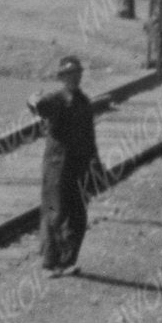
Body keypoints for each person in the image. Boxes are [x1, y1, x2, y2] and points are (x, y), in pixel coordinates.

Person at [33, 51, 105, 273]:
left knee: (77, 216)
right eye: (69, 74)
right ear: (62, 78)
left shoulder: (83, 102)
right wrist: (33, 100)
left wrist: (96, 164)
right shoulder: (57, 100)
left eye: (77, 74)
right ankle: (50, 263)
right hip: (57, 166)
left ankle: (67, 261)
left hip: (78, 166)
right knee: (54, 212)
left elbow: (90, 136)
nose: (74, 78)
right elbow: (41, 106)